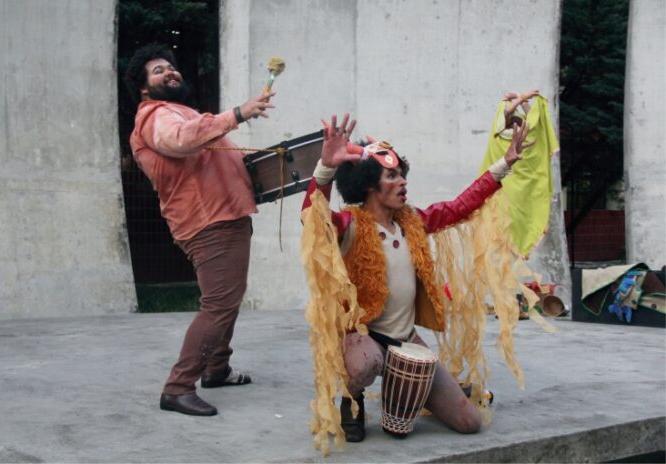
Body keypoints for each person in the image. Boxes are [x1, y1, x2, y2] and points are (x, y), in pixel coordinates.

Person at [300, 114, 532, 442]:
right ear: (369, 185)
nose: (403, 182)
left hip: (406, 341)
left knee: (469, 422)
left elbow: (459, 206)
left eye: (402, 174)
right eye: (391, 175)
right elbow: (313, 218)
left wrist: (504, 164)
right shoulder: (349, 225)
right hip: (363, 338)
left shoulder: (413, 221)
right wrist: (325, 168)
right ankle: (353, 400)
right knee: (364, 364)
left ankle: (406, 392)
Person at [124, 43, 274, 416]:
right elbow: (181, 140)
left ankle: (217, 368)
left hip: (226, 216)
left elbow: (219, 156)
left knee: (227, 297)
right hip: (208, 222)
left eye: (171, 67)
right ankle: (177, 388)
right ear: (143, 88)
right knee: (219, 304)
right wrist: (238, 113)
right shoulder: (155, 115)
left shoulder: (184, 113)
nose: (169, 72)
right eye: (158, 70)